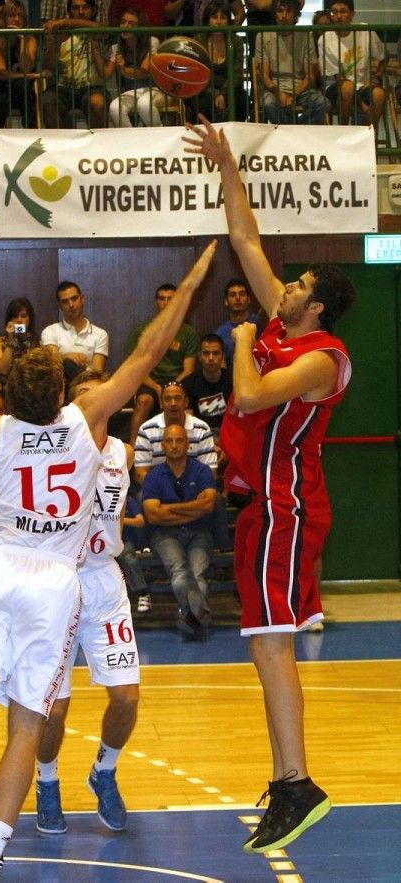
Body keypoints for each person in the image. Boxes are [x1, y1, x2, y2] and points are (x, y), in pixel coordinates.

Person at [0, 239, 217, 883]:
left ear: (11, 394)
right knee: (25, 726)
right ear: (63, 390)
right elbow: (151, 350)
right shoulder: (87, 416)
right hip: (55, 582)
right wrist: (194, 277)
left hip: (2, 568)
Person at [184, 115, 355, 853]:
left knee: (272, 642)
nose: (284, 289)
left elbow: (250, 396)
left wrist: (246, 338)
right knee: (264, 641)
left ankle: (298, 781)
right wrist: (226, 166)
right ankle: (290, 779)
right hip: (261, 507)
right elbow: (248, 240)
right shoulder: (288, 321)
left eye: (300, 287)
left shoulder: (323, 357)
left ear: (314, 307)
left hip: (285, 507)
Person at [35, 369, 139, 835]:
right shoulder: (49, 450)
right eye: (83, 396)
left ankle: (105, 770)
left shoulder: (124, 453)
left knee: (126, 697)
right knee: (53, 709)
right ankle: (47, 781)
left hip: (103, 581)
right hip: (57, 581)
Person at [142, 423, 217, 638]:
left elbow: (208, 506)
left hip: (199, 532)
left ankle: (188, 615)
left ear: (188, 444)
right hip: (165, 534)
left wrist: (168, 508)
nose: (174, 445)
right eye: (169, 441)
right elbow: (153, 515)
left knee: (197, 574)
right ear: (163, 445)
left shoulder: (201, 471)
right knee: (179, 571)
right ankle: (196, 616)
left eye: (179, 440)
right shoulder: (154, 476)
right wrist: (193, 507)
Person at [126, 283, 199, 444]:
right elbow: (135, 370)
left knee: (184, 402)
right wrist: (158, 388)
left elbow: (189, 369)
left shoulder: (188, 333)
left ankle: (190, 447)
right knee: (144, 401)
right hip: (150, 382)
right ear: (156, 302)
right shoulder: (142, 332)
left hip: (179, 381)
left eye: (170, 299)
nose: (166, 303)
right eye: (162, 299)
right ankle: (132, 451)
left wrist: (171, 388)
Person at [256, 0, 326, 126]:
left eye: (288, 11)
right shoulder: (263, 36)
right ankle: (295, 130)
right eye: (280, 11)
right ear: (274, 13)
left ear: (295, 14)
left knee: (322, 103)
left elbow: (310, 76)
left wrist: (293, 95)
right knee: (268, 104)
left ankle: (291, 129)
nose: (284, 15)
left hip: (301, 89)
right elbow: (265, 76)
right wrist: (279, 93)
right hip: (274, 89)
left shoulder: (305, 36)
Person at [133, 380, 216, 487]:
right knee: (141, 498)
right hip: (158, 489)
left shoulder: (202, 429)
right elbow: (140, 474)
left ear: (186, 402)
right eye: (167, 399)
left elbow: (210, 472)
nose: (173, 403)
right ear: (161, 403)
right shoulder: (146, 429)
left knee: (216, 499)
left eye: (177, 398)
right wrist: (168, 490)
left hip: (193, 487)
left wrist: (187, 488)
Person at [318, 0, 385, 128]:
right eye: (334, 12)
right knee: (347, 87)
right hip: (336, 87)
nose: (338, 16)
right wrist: (362, 103)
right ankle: (344, 131)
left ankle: (366, 133)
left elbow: (383, 56)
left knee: (379, 94)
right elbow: (338, 77)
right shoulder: (325, 39)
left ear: (352, 14)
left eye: (343, 11)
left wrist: (376, 78)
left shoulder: (365, 30)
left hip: (362, 85)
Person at [42, 0, 108, 128]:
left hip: (92, 87)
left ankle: (98, 146)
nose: (81, 11)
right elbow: (48, 66)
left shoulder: (99, 30)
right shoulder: (59, 32)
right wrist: (55, 45)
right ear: (70, 11)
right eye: (76, 8)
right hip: (61, 87)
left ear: (93, 10)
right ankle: (59, 146)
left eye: (85, 7)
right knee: (47, 103)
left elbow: (103, 28)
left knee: (98, 103)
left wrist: (66, 21)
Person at [186, 0, 247, 124]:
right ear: (208, 20)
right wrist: (215, 95)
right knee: (201, 100)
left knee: (240, 98)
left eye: (223, 17)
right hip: (205, 89)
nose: (219, 22)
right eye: (214, 17)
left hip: (229, 88)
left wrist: (223, 94)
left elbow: (236, 74)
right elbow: (196, 75)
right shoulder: (198, 41)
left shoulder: (236, 41)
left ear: (228, 21)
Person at [105, 7, 166, 128]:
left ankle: (158, 139)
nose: (126, 26)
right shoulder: (116, 47)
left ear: (140, 27)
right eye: (123, 22)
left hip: (155, 89)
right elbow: (106, 74)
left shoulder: (152, 41)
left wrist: (123, 69)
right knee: (114, 107)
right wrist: (94, 48)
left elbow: (144, 71)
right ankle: (132, 142)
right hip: (131, 92)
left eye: (131, 24)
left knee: (144, 104)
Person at [0, 1, 39, 132]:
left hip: (19, 88)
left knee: (23, 87)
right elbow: (1, 73)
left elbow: (26, 68)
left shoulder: (30, 39)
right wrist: (34, 75)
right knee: (2, 100)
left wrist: (22, 40)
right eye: (11, 16)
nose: (16, 19)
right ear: (3, 19)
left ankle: (31, 135)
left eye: (20, 16)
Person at [40, 280, 109, 381]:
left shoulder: (100, 334)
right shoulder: (50, 331)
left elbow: (97, 372)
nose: (71, 304)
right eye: (65, 301)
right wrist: (66, 357)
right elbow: (51, 361)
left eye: (74, 298)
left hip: (87, 388)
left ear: (82, 299)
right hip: (59, 387)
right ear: (60, 306)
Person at [181, 333, 232, 439]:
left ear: (223, 356)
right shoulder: (188, 384)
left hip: (228, 435)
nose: (211, 358)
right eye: (206, 353)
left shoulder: (233, 380)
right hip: (199, 436)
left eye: (216, 353)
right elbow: (189, 423)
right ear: (199, 356)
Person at [214, 278, 263, 366]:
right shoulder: (220, 334)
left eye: (242, 294)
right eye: (233, 295)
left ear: (248, 299)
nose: (237, 298)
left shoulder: (261, 322)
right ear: (226, 301)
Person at [0, 298, 38, 380]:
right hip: (5, 387)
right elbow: (3, 370)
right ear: (9, 319)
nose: (19, 320)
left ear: (29, 319)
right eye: (15, 316)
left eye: (23, 316)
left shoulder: (37, 342)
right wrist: (11, 339)